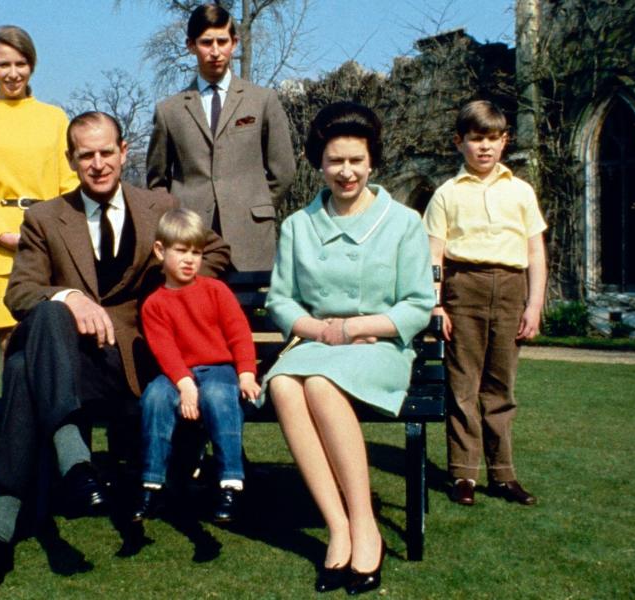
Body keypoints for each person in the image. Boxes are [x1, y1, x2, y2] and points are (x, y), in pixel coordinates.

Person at [0, 112, 231, 596]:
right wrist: (71, 298)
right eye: (86, 155)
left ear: (123, 152)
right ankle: (73, 464)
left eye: (105, 152)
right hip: (73, 365)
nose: (97, 164)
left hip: (137, 362)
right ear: (71, 160)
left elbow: (215, 253)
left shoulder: (158, 206)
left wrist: (173, 284)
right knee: (47, 320)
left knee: (20, 368)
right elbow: (19, 293)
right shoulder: (44, 217)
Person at [262, 102, 434, 594]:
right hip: (317, 341)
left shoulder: (401, 223)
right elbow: (281, 299)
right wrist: (318, 331)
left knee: (318, 383)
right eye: (336, 161)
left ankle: (365, 526)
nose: (346, 171)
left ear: (371, 162)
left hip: (378, 346)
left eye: (356, 160)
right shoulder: (299, 224)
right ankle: (337, 525)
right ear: (320, 163)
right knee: (286, 387)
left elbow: (418, 304)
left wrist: (356, 329)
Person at [423, 100, 547, 507]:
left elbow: (535, 254)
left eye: (493, 139)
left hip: (511, 289)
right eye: (476, 139)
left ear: (505, 141)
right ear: (460, 142)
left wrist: (534, 304)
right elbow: (434, 256)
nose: (485, 147)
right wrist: (437, 305)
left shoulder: (521, 190)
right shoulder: (446, 194)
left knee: (500, 386)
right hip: (464, 288)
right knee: (462, 386)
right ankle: (464, 474)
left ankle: (502, 474)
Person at [0, 25, 78, 362]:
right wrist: (1, 234)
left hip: (49, 239)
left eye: (20, 64)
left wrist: (61, 233)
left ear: (32, 65)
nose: (12, 74)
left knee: (55, 335)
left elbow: (69, 183)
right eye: (3, 65)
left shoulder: (54, 118)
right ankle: (17, 413)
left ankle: (57, 414)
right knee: (12, 345)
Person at [146, 3, 296, 271]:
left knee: (251, 311)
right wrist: (175, 219)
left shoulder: (262, 100)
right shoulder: (169, 110)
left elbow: (283, 170)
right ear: (190, 45)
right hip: (192, 239)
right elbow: (157, 181)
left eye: (222, 41)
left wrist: (253, 205)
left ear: (234, 43)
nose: (215, 51)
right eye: (206, 43)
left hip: (251, 237)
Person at [133, 208, 260, 524]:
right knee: (154, 397)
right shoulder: (154, 304)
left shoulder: (215, 290)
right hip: (177, 375)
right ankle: (153, 484)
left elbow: (239, 333)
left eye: (197, 252)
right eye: (181, 251)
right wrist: (185, 385)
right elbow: (166, 352)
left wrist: (246, 373)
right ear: (160, 251)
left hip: (218, 369)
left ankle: (231, 482)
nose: (190, 259)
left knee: (218, 395)